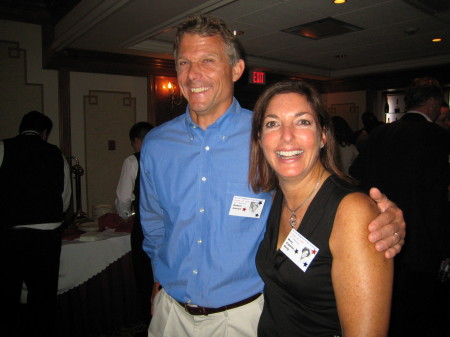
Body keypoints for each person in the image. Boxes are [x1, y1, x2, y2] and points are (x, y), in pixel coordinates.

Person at [139, 14, 405, 337]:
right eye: (183, 62)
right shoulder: (156, 145)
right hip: (171, 314)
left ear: (237, 69)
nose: (193, 74)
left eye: (208, 60)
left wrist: (381, 220)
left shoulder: (267, 137)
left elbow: (325, 195)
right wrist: (158, 276)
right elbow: (154, 225)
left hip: (244, 318)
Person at [250, 80, 393, 337]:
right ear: (260, 139)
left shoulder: (352, 212)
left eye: (302, 121)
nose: (286, 136)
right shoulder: (277, 199)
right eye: (272, 123)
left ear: (324, 135)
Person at [349, 77, 450, 337]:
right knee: (422, 318)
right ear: (432, 103)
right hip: (421, 243)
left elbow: (355, 172)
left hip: (379, 238)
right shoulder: (437, 138)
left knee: (390, 314)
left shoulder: (382, 133)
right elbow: (436, 200)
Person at [0, 111, 71, 337]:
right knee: (43, 298)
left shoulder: (3, 147)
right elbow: (65, 198)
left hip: (11, 235)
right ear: (45, 133)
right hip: (46, 237)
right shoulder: (55, 154)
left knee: (8, 295)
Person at [115, 121, 154, 328]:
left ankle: (148, 324)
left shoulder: (133, 161)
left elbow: (123, 198)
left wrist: (125, 214)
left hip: (144, 228)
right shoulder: (168, 157)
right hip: (170, 228)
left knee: (145, 278)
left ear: (136, 141)